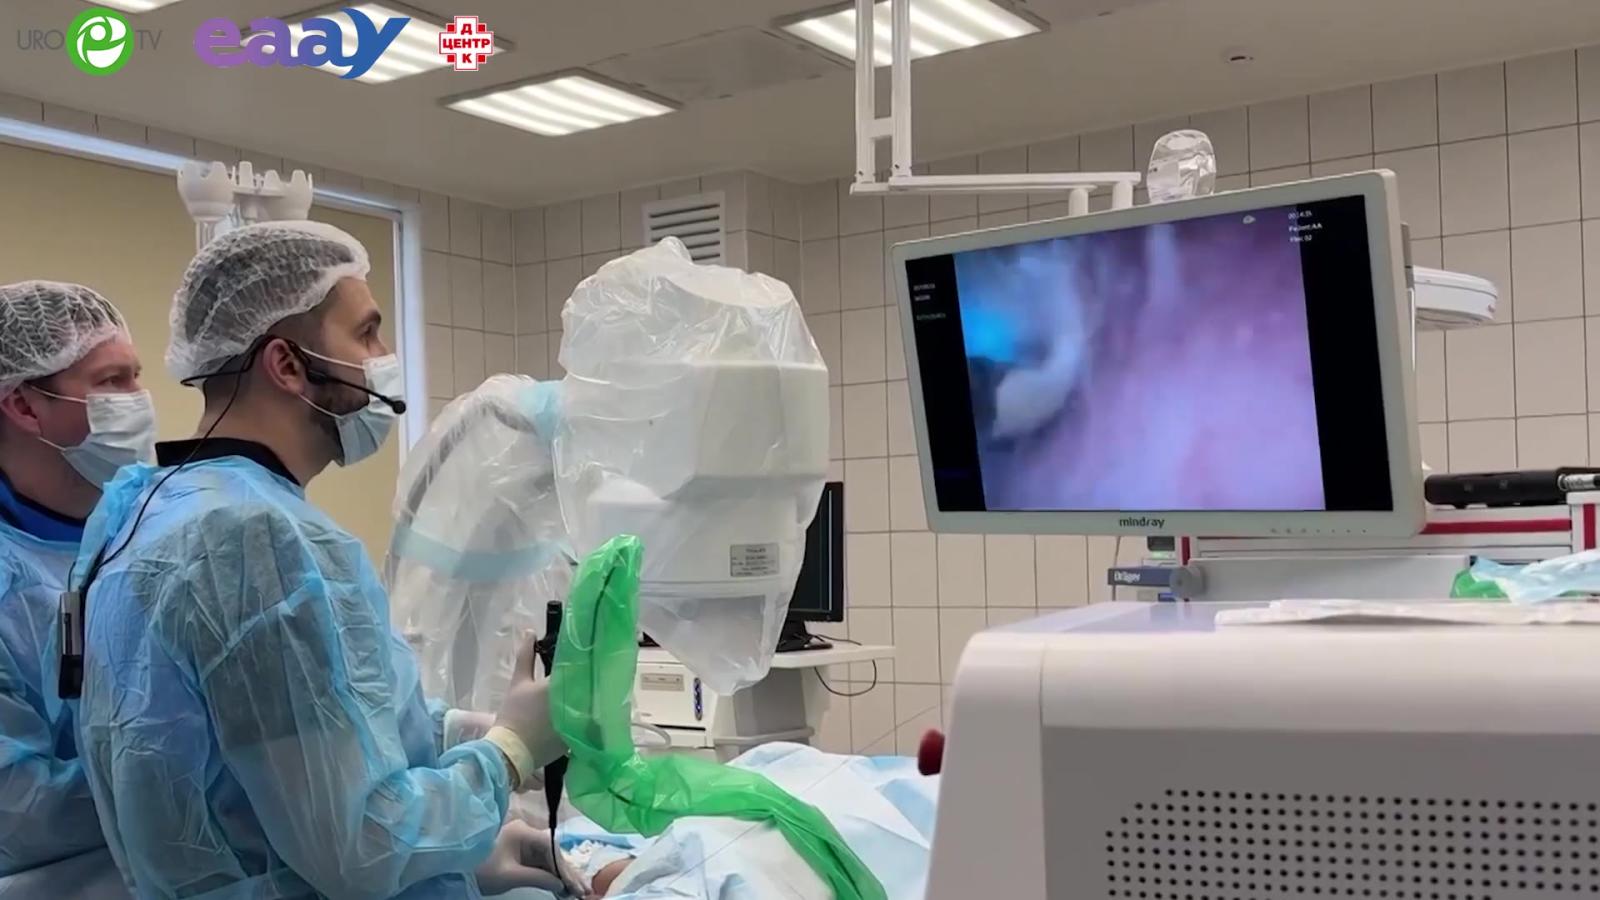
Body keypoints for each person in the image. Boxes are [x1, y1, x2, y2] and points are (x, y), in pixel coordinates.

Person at [72, 222, 575, 899]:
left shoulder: (139, 510)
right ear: (287, 365)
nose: (384, 357)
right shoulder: (255, 541)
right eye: (366, 334)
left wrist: (458, 730)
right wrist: (507, 754)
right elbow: (362, 846)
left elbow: (290, 737)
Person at [0, 281, 153, 893]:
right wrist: (187, 774)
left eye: (137, 377)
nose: (139, 400)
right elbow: (16, 810)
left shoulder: (159, 527)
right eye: (112, 381)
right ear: (24, 405)